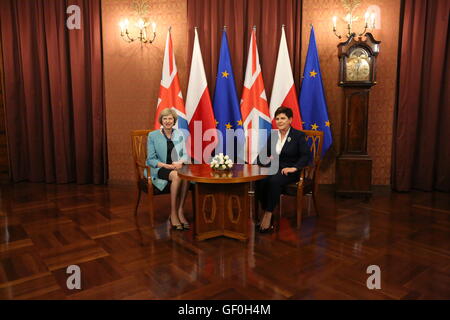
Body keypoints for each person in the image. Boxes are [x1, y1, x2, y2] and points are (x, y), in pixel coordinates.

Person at [255, 106, 312, 233]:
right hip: (275, 169)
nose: (279, 121)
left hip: (290, 171)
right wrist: (265, 160)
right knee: (260, 180)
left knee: (274, 181)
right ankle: (265, 210)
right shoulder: (273, 135)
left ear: (290, 120)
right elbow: (261, 156)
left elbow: (306, 156)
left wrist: (294, 167)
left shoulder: (298, 136)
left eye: (283, 118)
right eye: (277, 119)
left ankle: (268, 215)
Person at [147, 108, 190, 230]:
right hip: (160, 168)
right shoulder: (153, 135)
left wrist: (181, 162)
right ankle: (173, 214)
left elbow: (185, 154)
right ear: (161, 121)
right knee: (176, 175)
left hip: (176, 166)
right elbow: (150, 159)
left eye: (170, 118)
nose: (167, 121)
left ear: (174, 120)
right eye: (165, 118)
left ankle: (180, 210)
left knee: (186, 175)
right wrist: (167, 166)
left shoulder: (179, 134)